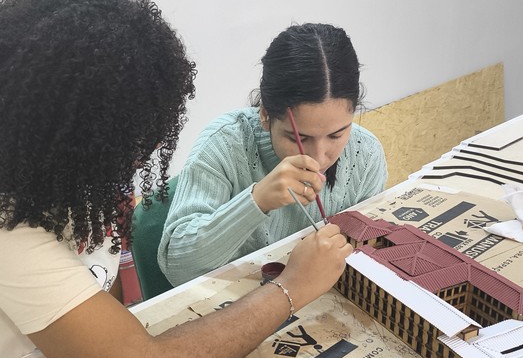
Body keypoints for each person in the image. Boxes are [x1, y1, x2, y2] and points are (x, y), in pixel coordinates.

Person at [0, 0, 354, 358]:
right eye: (130, 144)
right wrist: (291, 288)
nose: (143, 154)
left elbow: (101, 284)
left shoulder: (61, 169)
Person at [158, 23, 387, 287]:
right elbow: (178, 266)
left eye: (337, 135)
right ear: (266, 115)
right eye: (299, 138)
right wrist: (257, 200)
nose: (319, 158)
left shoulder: (365, 153)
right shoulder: (225, 144)